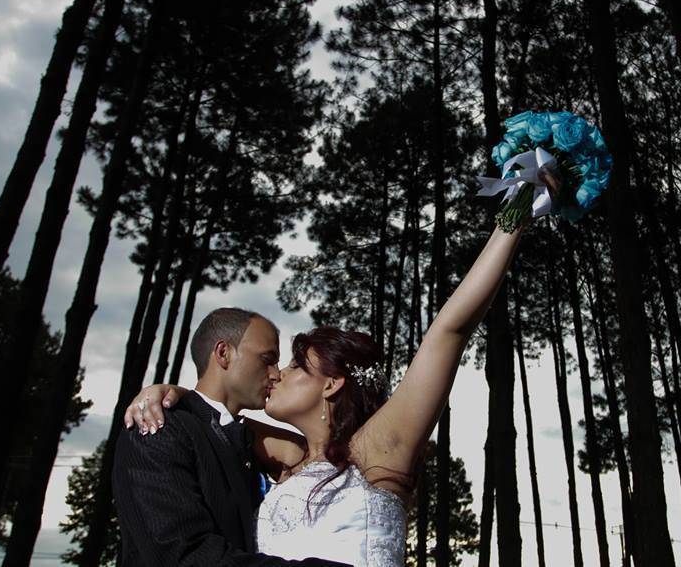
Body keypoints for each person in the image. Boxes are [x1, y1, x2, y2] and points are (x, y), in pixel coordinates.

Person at [126, 223, 527, 566]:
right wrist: (171, 392)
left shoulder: (377, 450)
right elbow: (214, 414)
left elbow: (450, 329)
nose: (277, 373)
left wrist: (514, 217)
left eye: (295, 365)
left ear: (332, 384)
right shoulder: (282, 457)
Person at [113, 307, 348, 567]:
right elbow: (184, 555)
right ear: (223, 353)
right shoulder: (159, 428)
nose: (276, 373)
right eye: (267, 359)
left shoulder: (250, 444)